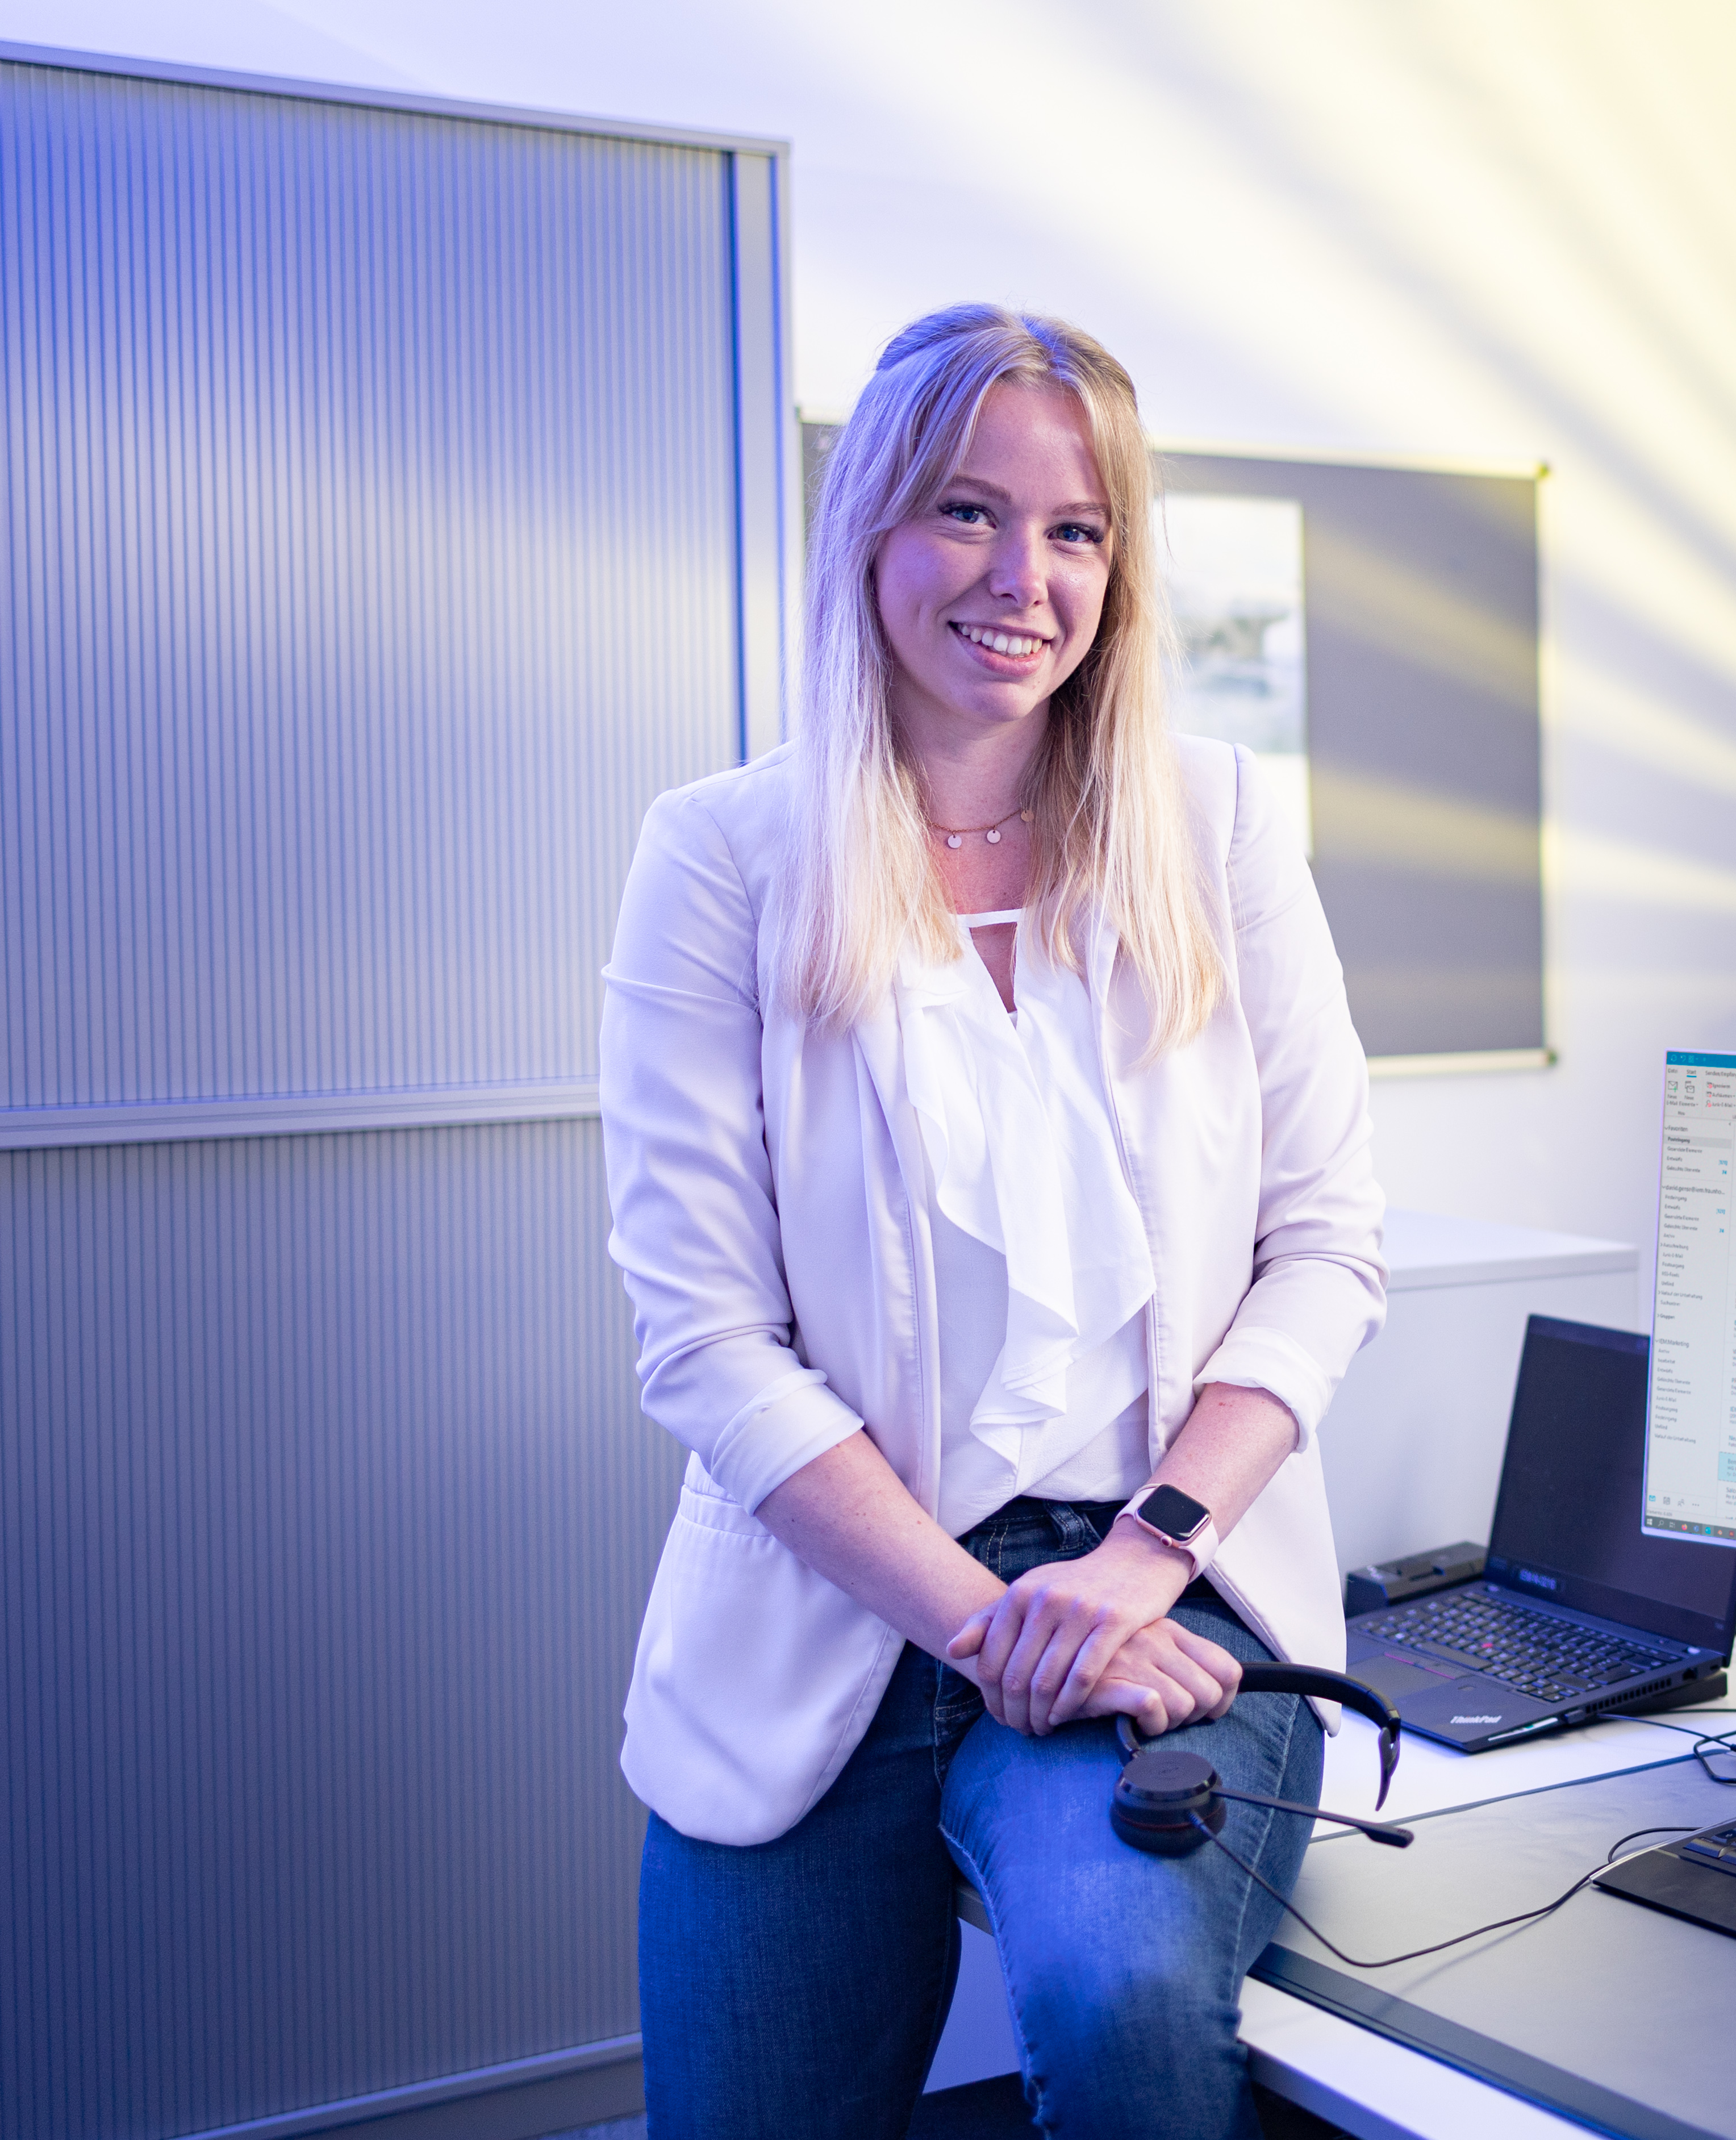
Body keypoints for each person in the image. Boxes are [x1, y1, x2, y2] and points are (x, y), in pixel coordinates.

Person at [598, 302, 1386, 2140]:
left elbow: (1327, 1243)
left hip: (1159, 1579)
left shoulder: (1215, 821)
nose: (1020, 575)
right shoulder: (724, 856)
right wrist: (989, 1624)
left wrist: (1138, 1567)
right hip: (830, 1601)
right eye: (964, 511)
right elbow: (709, 1346)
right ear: (868, 528)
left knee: (1121, 2015)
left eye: (1076, 528)